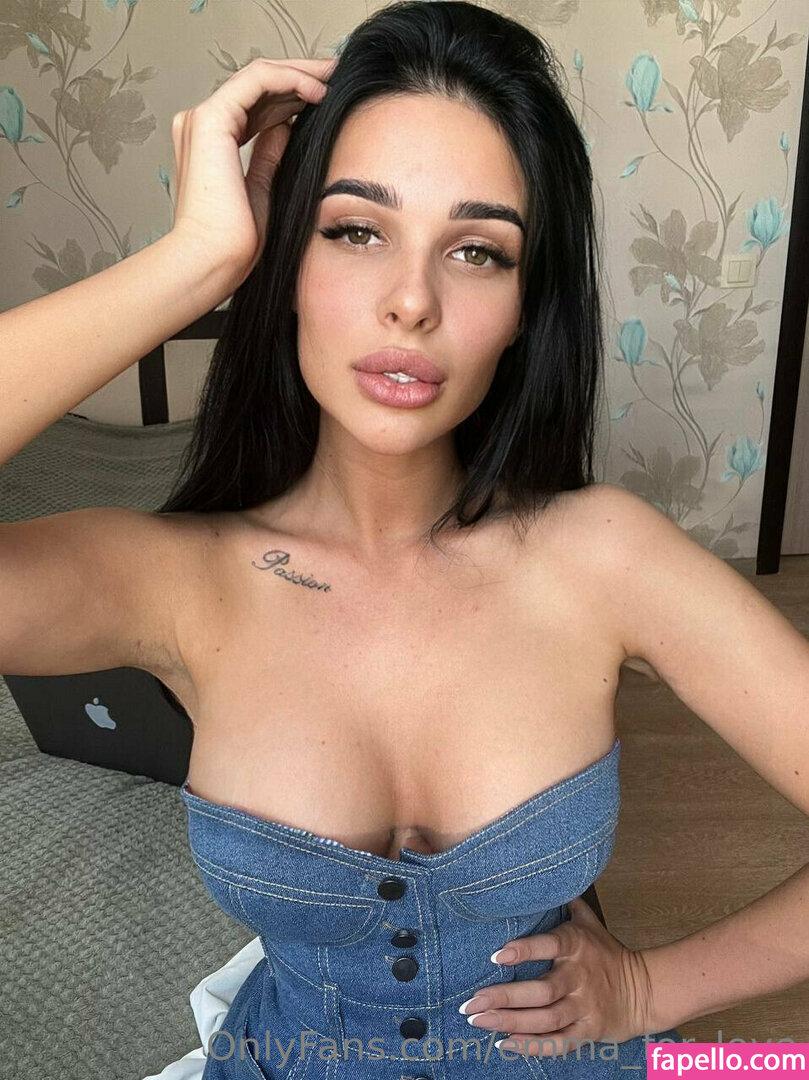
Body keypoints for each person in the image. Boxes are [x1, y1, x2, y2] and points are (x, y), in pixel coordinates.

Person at [2, 1, 807, 1076]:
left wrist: (656, 987)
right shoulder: (177, 578)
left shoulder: (605, 558)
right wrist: (193, 263)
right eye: (353, 231)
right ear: (285, 261)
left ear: (524, 308)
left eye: (476, 251)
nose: (410, 302)